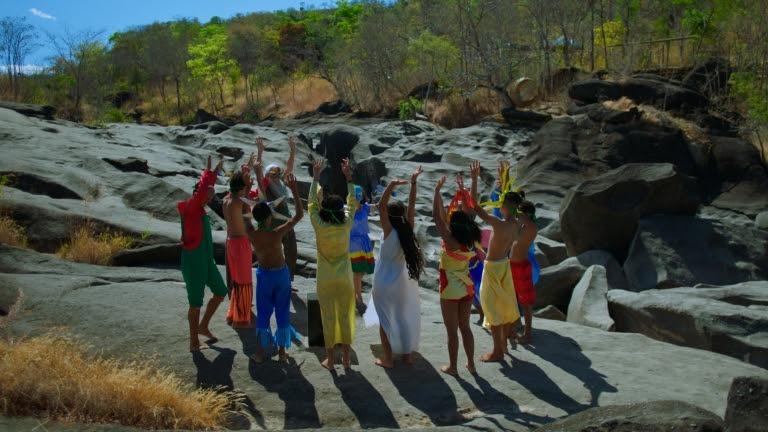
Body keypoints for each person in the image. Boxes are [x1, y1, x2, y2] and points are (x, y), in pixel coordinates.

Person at [364, 166, 425, 369]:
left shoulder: (389, 231)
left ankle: (388, 359)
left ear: (389, 217)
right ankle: (407, 355)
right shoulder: (406, 231)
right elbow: (412, 207)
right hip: (401, 280)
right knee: (400, 317)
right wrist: (413, 183)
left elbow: (381, 207)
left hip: (384, 280)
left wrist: (390, 185)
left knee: (384, 321)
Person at [248, 170, 304, 362]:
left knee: (263, 313)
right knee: (282, 312)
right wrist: (295, 191)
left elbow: (245, 213)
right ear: (271, 216)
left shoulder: (252, 234)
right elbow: (298, 215)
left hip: (264, 275)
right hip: (281, 274)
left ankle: (261, 352)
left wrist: (249, 188)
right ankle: (281, 352)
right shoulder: (277, 233)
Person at [308, 158, 358, 370]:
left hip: (326, 279)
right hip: (346, 278)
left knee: (327, 317)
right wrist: (349, 178)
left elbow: (311, 203)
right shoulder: (346, 223)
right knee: (346, 316)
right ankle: (346, 360)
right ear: (340, 211)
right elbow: (352, 202)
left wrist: (316, 176)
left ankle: (330, 359)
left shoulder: (319, 225)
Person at [470, 161, 521, 362]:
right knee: (505, 305)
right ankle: (504, 343)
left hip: (492, 268)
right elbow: (511, 197)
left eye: (501, 203)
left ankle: (497, 351)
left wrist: (474, 179)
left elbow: (475, 205)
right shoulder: (517, 225)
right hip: (504, 267)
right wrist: (505, 177)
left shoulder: (498, 224)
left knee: (491, 309)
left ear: (503, 206)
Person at [432, 175, 482, 375]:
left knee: (452, 332)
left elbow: (438, 218)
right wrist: (465, 192)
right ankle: (471, 363)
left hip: (451, 289)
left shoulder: (450, 240)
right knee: (465, 328)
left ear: (453, 226)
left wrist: (436, 192)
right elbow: (465, 214)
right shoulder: (469, 238)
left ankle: (453, 367)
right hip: (466, 288)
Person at [178, 155, 228, 352]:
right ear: (199, 194)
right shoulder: (191, 207)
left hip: (207, 261)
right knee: (195, 302)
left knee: (221, 292)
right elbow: (203, 187)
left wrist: (213, 173)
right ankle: (193, 341)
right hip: (193, 262)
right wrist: (210, 174)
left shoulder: (200, 209)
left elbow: (206, 187)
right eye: (209, 195)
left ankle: (203, 326)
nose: (211, 198)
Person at [255, 136, 298, 282]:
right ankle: (275, 278)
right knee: (274, 253)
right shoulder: (266, 186)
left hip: (286, 220)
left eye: (278, 173)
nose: (277, 176)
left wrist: (293, 151)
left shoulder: (280, 183)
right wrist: (260, 152)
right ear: (268, 175)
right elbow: (259, 171)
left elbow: (289, 168)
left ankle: (288, 279)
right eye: (273, 174)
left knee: (292, 251)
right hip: (272, 224)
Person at [223, 165, 255, 328]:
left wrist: (245, 180)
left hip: (230, 242)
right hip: (242, 243)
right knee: (244, 280)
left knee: (236, 279)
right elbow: (249, 220)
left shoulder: (227, 200)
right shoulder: (242, 203)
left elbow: (242, 195)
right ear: (241, 188)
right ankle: (241, 318)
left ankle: (233, 312)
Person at [510, 200, 538, 344]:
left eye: (520, 213)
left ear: (527, 214)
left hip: (521, 266)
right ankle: (514, 328)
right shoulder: (523, 225)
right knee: (513, 297)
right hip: (513, 265)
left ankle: (528, 334)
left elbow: (516, 236)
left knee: (525, 302)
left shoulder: (530, 227)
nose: (517, 215)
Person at [350, 185, 375, 315]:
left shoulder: (365, 208)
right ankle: (358, 299)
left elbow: (378, 206)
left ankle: (357, 297)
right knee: (357, 272)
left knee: (360, 272)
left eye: (358, 195)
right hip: (354, 244)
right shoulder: (347, 210)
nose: (356, 197)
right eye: (354, 195)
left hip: (363, 242)